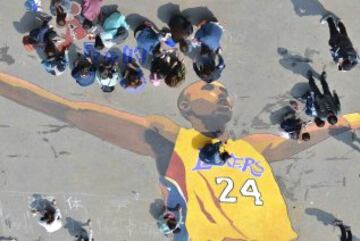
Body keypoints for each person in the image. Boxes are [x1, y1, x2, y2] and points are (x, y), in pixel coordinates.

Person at [1, 74, 360, 241]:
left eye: (223, 91)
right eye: (209, 88)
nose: (221, 94)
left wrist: (353, 120)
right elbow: (71, 111)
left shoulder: (254, 146)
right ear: (185, 106)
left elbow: (310, 134)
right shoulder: (171, 141)